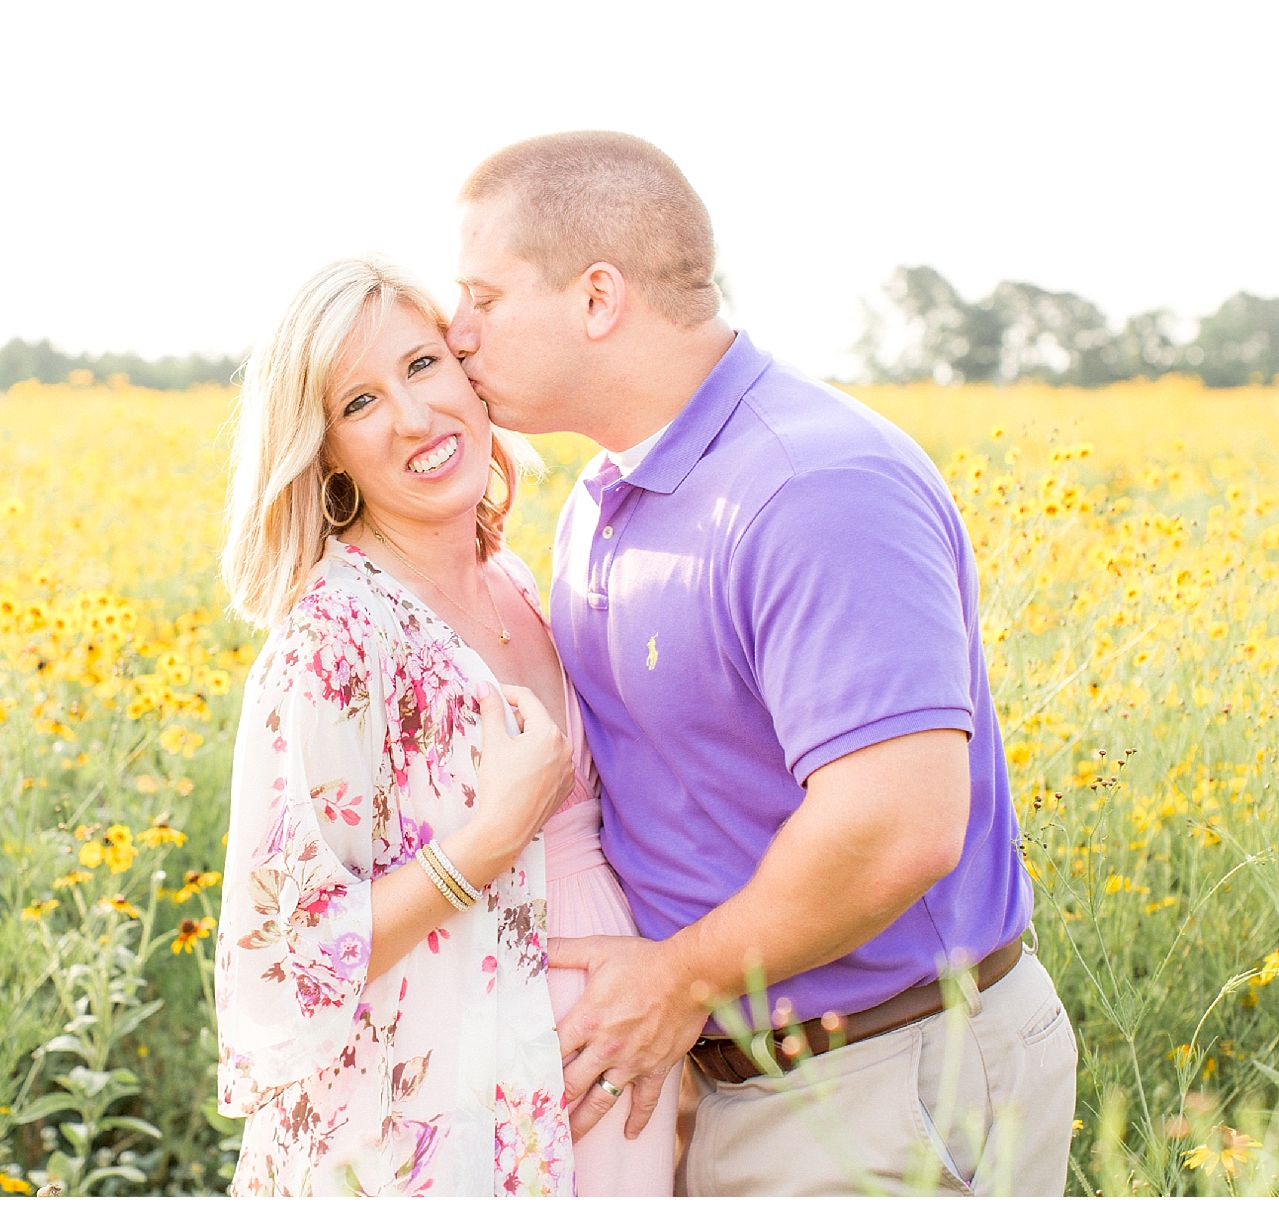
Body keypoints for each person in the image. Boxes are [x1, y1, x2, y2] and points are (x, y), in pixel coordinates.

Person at [445, 131, 1078, 1196]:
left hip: (884, 1077)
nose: (455, 332)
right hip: (735, 1083)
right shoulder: (605, 495)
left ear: (598, 298)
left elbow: (899, 825)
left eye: (483, 297)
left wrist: (678, 980)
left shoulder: (812, 486)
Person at [215, 256, 679, 1196]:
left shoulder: (517, 583)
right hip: (433, 1135)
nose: (414, 416)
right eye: (360, 402)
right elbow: (283, 960)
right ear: (325, 452)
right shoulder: (334, 641)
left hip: (600, 1087)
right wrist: (486, 842)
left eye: (422, 365)